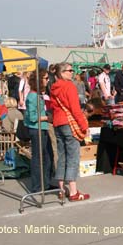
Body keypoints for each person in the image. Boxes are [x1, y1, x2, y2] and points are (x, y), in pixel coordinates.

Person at [51, 62, 89, 201]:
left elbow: (52, 107)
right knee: (73, 157)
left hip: (57, 122)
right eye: (69, 70)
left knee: (62, 156)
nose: (72, 72)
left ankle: (61, 188)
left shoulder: (54, 87)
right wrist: (84, 125)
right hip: (68, 122)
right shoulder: (69, 86)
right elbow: (75, 109)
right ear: (62, 73)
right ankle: (73, 191)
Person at [24, 69, 52, 193]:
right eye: (46, 78)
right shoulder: (32, 96)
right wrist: (48, 117)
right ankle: (37, 186)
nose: (48, 80)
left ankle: (45, 183)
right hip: (37, 130)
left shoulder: (37, 95)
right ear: (39, 80)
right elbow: (33, 117)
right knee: (38, 158)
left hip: (42, 128)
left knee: (46, 157)